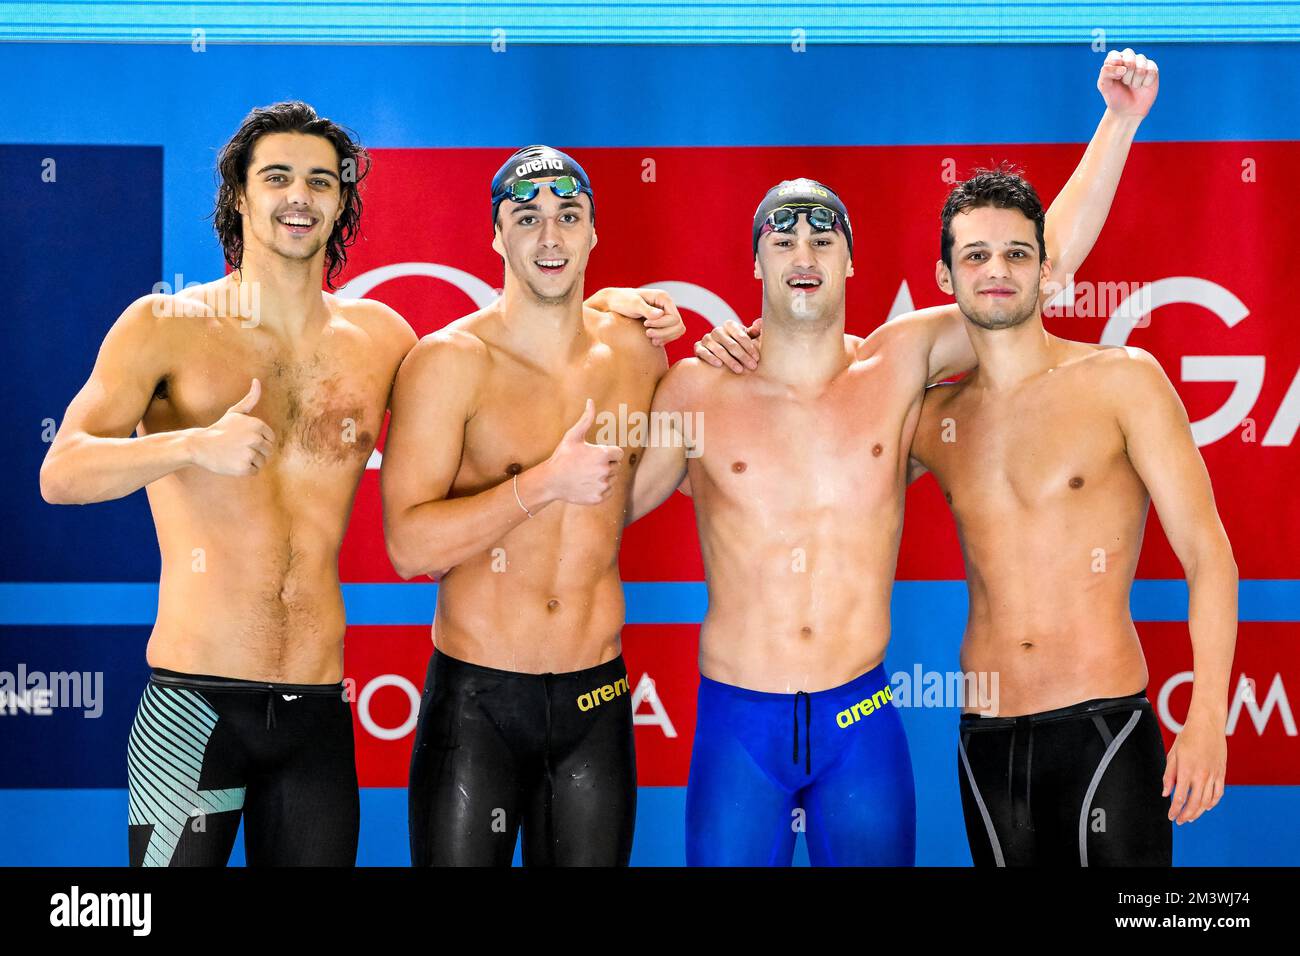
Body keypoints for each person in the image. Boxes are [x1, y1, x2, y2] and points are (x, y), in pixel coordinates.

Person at [40, 110, 679, 867]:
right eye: (276, 177)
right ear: (239, 197)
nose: (299, 196)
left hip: (316, 706)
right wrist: (194, 444)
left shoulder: (383, 341)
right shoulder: (164, 323)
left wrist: (607, 305)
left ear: (342, 201)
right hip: (192, 702)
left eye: (320, 180)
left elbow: (520, 327)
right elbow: (62, 472)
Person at [657, 49, 1160, 865]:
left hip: (860, 721)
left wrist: (1119, 122)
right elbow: (608, 485)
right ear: (756, 265)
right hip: (736, 721)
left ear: (852, 261)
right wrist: (617, 312)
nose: (804, 251)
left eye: (824, 236)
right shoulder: (700, 390)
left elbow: (1043, 265)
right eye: (782, 238)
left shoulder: (897, 364)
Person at [907, 161, 1234, 866]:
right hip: (986, 742)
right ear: (946, 278)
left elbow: (1209, 555)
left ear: (1046, 268)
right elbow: (816, 421)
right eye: (976, 256)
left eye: (1017, 254)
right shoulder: (935, 420)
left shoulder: (1122, 381)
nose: (998, 271)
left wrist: (1209, 710)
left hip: (1103, 728)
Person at [384, 145, 686, 866]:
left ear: (592, 234)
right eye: (528, 219)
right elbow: (408, 548)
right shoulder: (449, 362)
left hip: (596, 699)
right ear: (496, 235)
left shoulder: (637, 352)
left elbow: (620, 501)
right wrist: (542, 483)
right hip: (477, 704)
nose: (550, 238)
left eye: (567, 217)